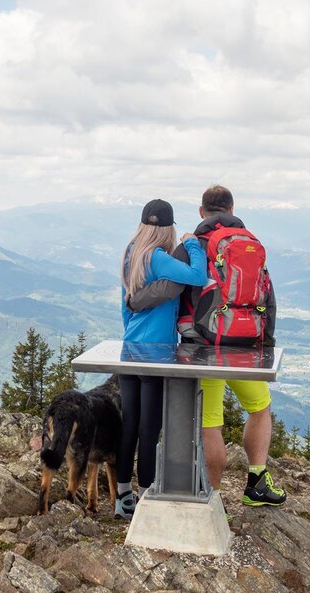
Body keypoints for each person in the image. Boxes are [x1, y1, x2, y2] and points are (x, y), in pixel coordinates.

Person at [127, 185, 287, 508]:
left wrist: (135, 301)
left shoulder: (194, 245)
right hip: (246, 348)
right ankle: (257, 480)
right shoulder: (251, 244)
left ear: (202, 212)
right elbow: (267, 297)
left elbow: (170, 288)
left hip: (202, 347)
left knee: (210, 421)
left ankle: (213, 499)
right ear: (231, 209)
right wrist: (264, 345)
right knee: (260, 408)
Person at [115, 199, 209, 520]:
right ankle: (146, 497)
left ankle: (122, 496)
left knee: (129, 425)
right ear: (167, 228)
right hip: (156, 353)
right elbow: (197, 275)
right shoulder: (157, 257)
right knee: (149, 427)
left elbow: (126, 307)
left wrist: (132, 338)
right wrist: (192, 244)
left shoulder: (131, 254)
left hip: (130, 349)